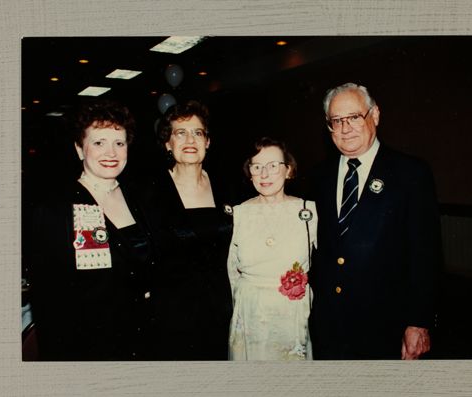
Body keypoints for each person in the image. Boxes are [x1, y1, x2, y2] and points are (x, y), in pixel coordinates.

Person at [308, 82, 442, 360]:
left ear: (375, 115)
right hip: (328, 326)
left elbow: (426, 253)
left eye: (354, 117)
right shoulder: (318, 176)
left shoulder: (410, 173)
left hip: (385, 326)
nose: (346, 129)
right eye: (337, 120)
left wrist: (419, 321)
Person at [29, 100, 157, 360]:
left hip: (140, 338)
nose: (111, 152)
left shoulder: (138, 198)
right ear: (79, 149)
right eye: (99, 142)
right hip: (87, 345)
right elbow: (48, 299)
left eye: (119, 143)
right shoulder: (57, 207)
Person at [147, 100, 233, 360]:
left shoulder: (227, 185)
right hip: (172, 314)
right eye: (180, 133)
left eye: (198, 132)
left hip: (221, 307)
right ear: (167, 143)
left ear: (207, 142)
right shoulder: (150, 193)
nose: (190, 140)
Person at [227, 137, 317, 360]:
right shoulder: (238, 214)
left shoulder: (310, 212)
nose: (264, 174)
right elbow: (231, 272)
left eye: (273, 166)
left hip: (292, 320)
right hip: (250, 319)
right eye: (257, 167)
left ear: (289, 170)